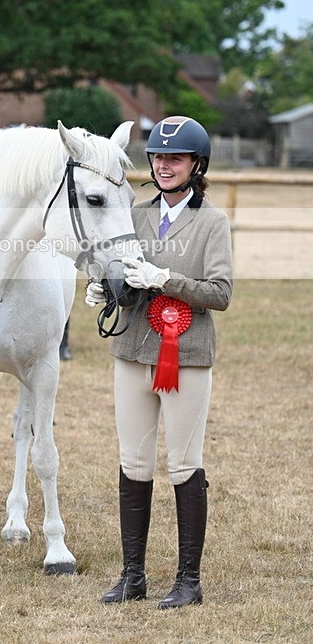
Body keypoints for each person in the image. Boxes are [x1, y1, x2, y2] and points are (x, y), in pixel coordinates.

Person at [86, 115, 232, 610]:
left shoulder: (212, 222)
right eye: (159, 157)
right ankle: (133, 576)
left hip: (186, 356)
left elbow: (221, 293)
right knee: (135, 462)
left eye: (175, 158)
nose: (165, 165)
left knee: (184, 463)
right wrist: (107, 290)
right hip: (132, 351)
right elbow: (126, 278)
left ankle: (188, 580)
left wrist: (164, 278)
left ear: (196, 165)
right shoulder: (137, 215)